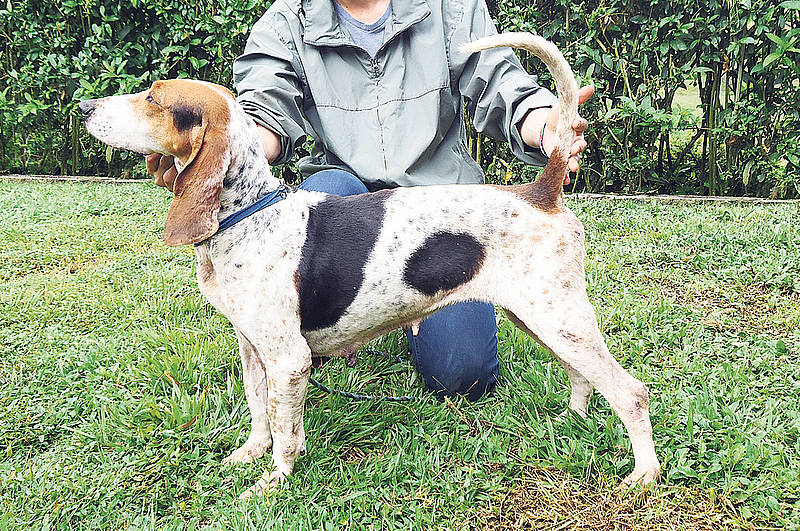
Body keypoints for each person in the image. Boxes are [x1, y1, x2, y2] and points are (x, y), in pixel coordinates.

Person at [147, 0, 594, 400]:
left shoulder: (452, 8)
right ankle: (328, 329)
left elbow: (503, 85)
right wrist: (216, 157)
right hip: (340, 206)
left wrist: (544, 123)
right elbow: (262, 114)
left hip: (432, 213)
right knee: (330, 199)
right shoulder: (287, 20)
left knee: (462, 374)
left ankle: (399, 302)